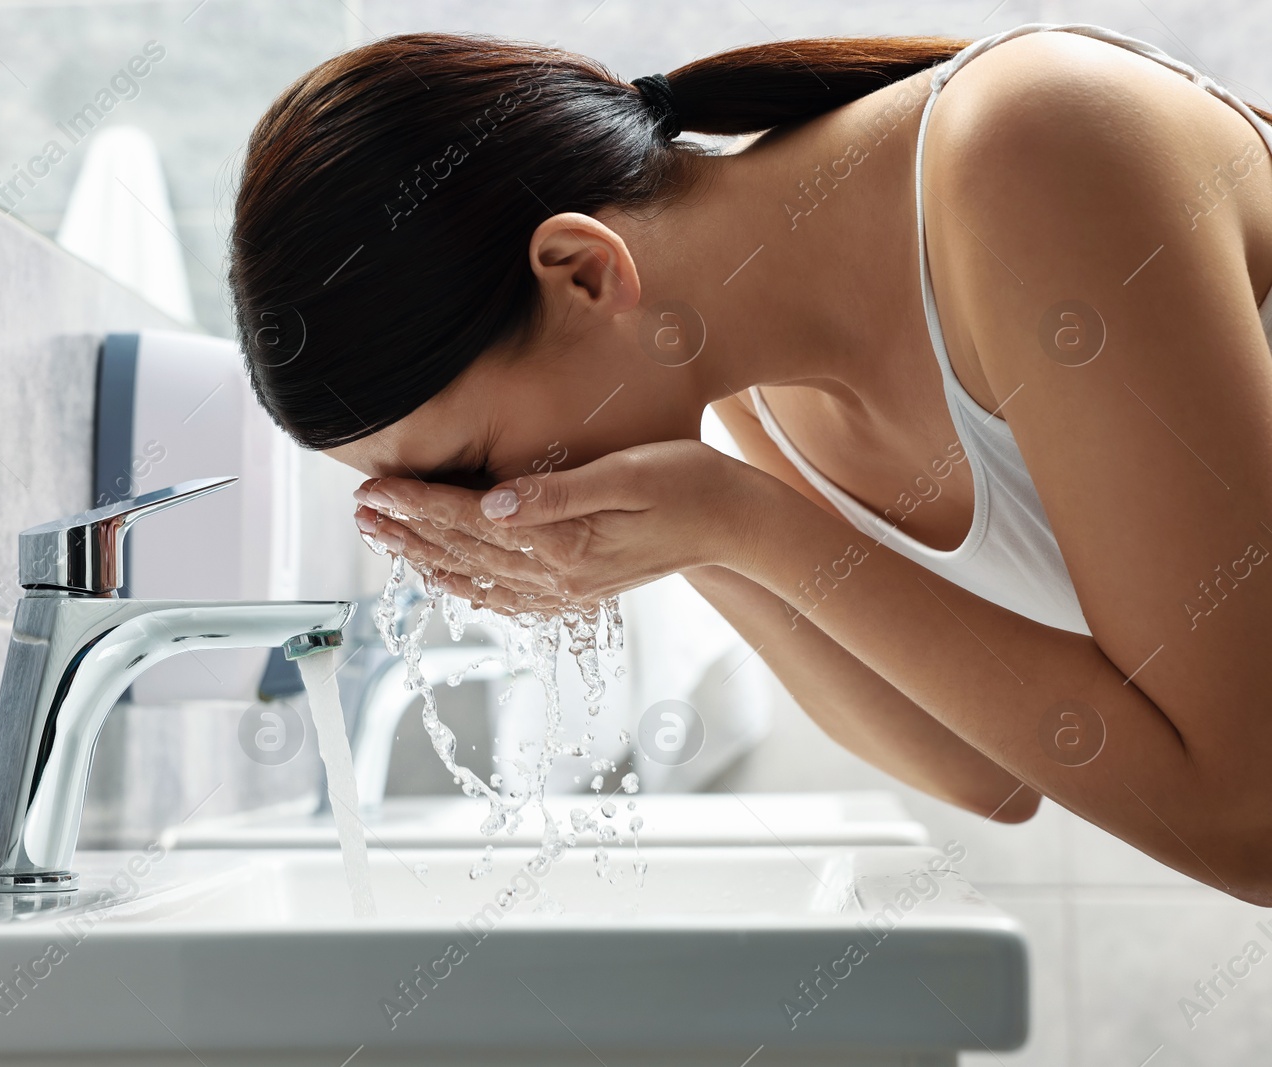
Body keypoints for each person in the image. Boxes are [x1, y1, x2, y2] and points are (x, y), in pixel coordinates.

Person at [228, 22, 1272, 902]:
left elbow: (1252, 818)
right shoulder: (756, 396)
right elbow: (983, 770)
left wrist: (749, 523)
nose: (488, 509)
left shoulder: (1032, 146)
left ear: (583, 271)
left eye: (466, 469)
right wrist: (703, 539)